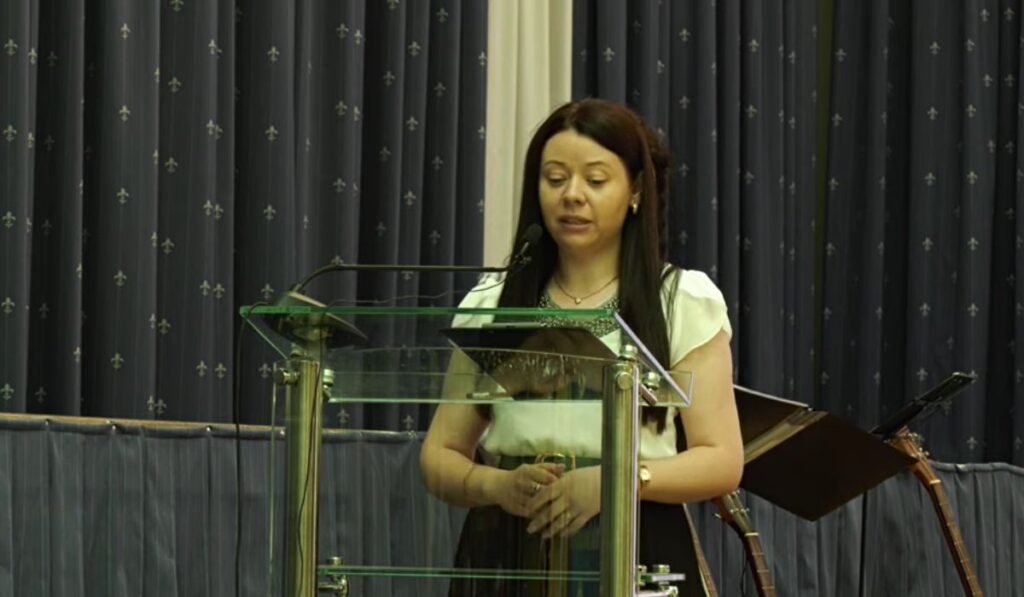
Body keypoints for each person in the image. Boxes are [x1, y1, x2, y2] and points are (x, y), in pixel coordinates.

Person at [420, 99, 743, 596]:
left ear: (635, 191)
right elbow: (440, 453)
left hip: (637, 538)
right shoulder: (493, 302)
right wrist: (495, 486)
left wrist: (618, 482)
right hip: (511, 545)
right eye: (555, 179)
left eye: (595, 180)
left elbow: (721, 459)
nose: (572, 195)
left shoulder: (682, 300)